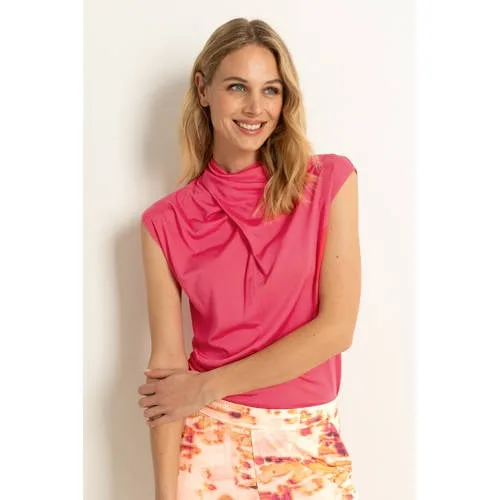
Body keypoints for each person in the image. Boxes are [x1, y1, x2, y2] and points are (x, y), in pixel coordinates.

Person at [137, 17, 361, 500]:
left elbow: (336, 329)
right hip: (207, 446)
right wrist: (164, 495)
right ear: (203, 90)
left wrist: (206, 386)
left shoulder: (330, 183)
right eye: (237, 87)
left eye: (271, 90)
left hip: (306, 446)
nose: (256, 108)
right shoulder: (164, 222)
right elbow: (167, 373)